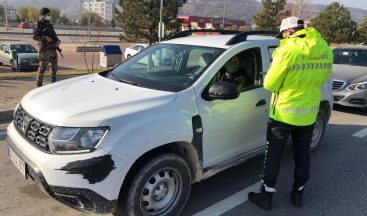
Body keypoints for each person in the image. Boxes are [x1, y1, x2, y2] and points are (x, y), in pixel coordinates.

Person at [248, 16, 333, 211]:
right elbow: (322, 79)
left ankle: (266, 197)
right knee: (302, 156)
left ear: (289, 31)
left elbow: (270, 84)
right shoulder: (325, 49)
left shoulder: (287, 49)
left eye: (283, 34)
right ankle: (298, 194)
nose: (282, 38)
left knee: (273, 156)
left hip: (284, 114)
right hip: (309, 113)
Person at [32, 7, 60, 87]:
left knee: (54, 69)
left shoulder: (49, 24)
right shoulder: (38, 24)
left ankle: (53, 85)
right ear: (43, 15)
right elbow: (35, 37)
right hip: (44, 50)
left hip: (52, 49)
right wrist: (45, 37)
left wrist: (58, 41)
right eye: (48, 14)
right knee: (42, 69)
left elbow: (54, 35)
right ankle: (39, 86)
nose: (49, 16)